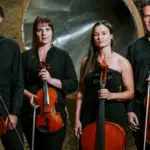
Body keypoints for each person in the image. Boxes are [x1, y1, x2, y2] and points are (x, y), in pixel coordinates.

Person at [21, 15, 78, 150]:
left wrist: (51, 80)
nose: (44, 33)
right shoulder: (26, 56)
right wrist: (29, 96)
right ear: (35, 33)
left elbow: (73, 84)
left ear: (52, 32)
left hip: (55, 115)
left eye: (47, 29)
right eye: (40, 30)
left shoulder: (62, 56)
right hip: (31, 115)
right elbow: (18, 84)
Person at [74, 20, 134, 149]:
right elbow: (81, 92)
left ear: (111, 35)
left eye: (104, 33)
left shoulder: (122, 62)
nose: (100, 37)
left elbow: (130, 92)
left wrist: (111, 95)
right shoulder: (86, 62)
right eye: (96, 34)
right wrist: (77, 119)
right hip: (89, 113)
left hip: (113, 113)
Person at [126, 1, 150, 149]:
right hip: (140, 110)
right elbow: (128, 83)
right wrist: (129, 110)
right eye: (147, 16)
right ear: (142, 19)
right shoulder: (134, 48)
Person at [0, 5, 24, 150]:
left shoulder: (11, 46)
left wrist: (14, 113)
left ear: (1, 18)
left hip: (7, 112)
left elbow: (18, 83)